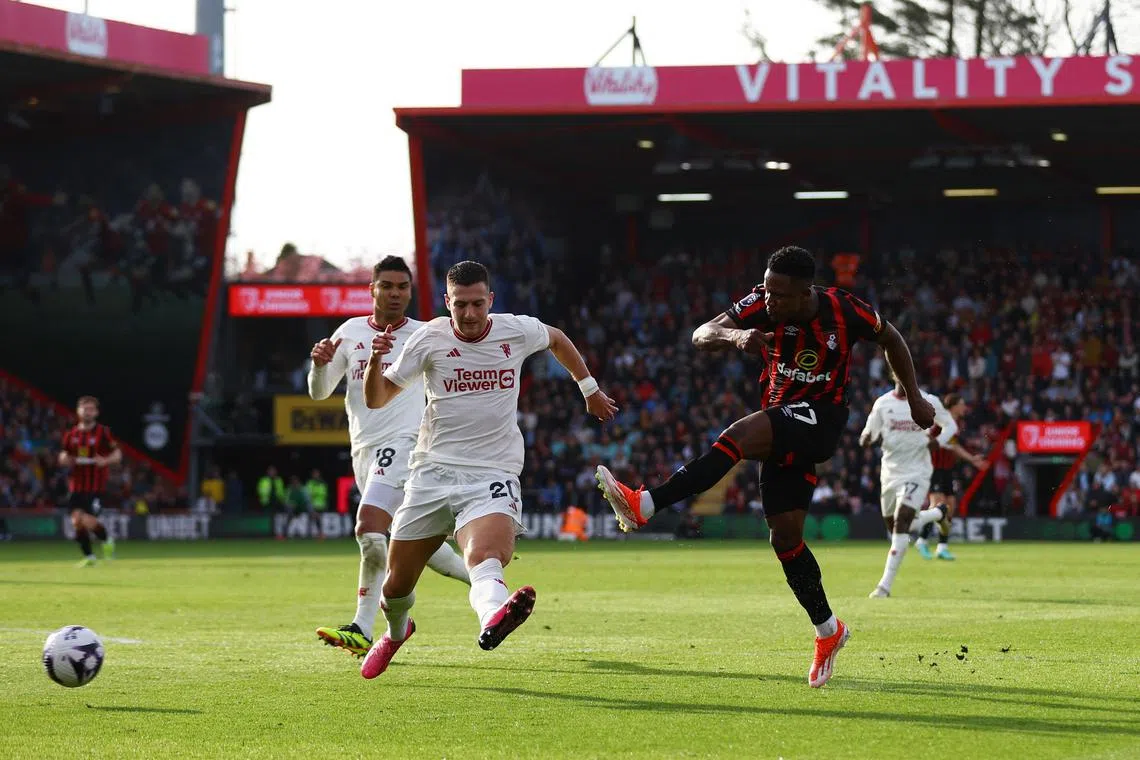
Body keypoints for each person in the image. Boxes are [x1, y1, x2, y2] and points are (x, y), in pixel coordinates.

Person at [594, 246, 934, 688]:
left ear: (805, 292)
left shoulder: (843, 309)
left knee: (739, 434)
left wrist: (916, 395)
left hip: (820, 420)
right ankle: (829, 631)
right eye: (767, 290)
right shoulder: (761, 302)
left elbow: (892, 338)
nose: (769, 301)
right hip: (782, 426)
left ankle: (648, 503)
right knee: (786, 540)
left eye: (779, 295)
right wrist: (734, 337)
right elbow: (701, 333)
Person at [358, 260, 616, 678]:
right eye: (461, 305)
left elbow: (557, 338)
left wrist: (589, 388)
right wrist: (374, 362)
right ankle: (396, 632)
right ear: (447, 303)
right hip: (431, 474)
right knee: (396, 587)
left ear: (490, 300)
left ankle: (493, 617)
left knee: (486, 554)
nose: (471, 313)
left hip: (491, 473)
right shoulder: (428, 339)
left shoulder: (515, 329)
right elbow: (376, 398)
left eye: (478, 303)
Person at [309, 256, 470, 658]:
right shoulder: (350, 333)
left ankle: (362, 625)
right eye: (387, 286)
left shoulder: (426, 334)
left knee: (369, 528)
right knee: (419, 544)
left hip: (407, 445)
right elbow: (318, 391)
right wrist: (318, 366)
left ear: (410, 292)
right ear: (373, 290)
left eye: (402, 286)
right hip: (365, 450)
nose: (395, 293)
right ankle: (489, 582)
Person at [860, 364, 957, 598]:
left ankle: (884, 586)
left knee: (902, 521)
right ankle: (938, 514)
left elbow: (951, 425)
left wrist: (938, 441)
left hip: (918, 470)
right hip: (891, 472)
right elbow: (868, 433)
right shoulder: (883, 403)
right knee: (894, 526)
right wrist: (866, 439)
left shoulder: (927, 400)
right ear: (894, 374)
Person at [915, 393, 988, 561]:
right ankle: (922, 540)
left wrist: (971, 459)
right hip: (933, 468)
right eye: (962, 404)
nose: (964, 407)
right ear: (953, 406)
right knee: (937, 504)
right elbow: (927, 437)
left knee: (950, 507)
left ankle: (942, 547)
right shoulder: (939, 420)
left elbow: (954, 446)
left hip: (948, 469)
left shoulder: (956, 423)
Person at [59, 396, 120, 566]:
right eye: (85, 409)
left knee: (87, 521)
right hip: (76, 486)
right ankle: (89, 557)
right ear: (78, 411)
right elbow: (64, 454)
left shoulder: (104, 432)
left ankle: (107, 540)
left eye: (91, 409)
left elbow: (117, 454)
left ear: (96, 412)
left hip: (96, 487)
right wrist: (64, 458)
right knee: (76, 521)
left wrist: (106, 461)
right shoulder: (71, 435)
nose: (88, 412)